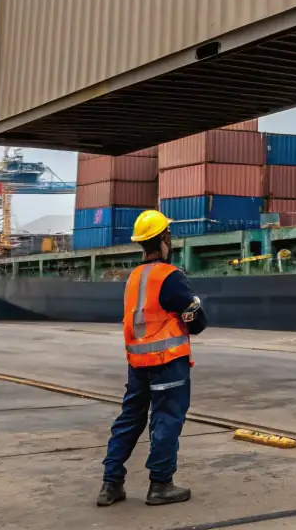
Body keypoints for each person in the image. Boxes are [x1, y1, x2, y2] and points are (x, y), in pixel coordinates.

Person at [96, 209, 207, 507]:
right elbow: (197, 321)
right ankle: (160, 485)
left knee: (129, 420)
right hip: (167, 363)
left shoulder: (134, 277)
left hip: (137, 364)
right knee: (166, 420)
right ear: (164, 239)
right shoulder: (170, 277)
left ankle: (111, 485)